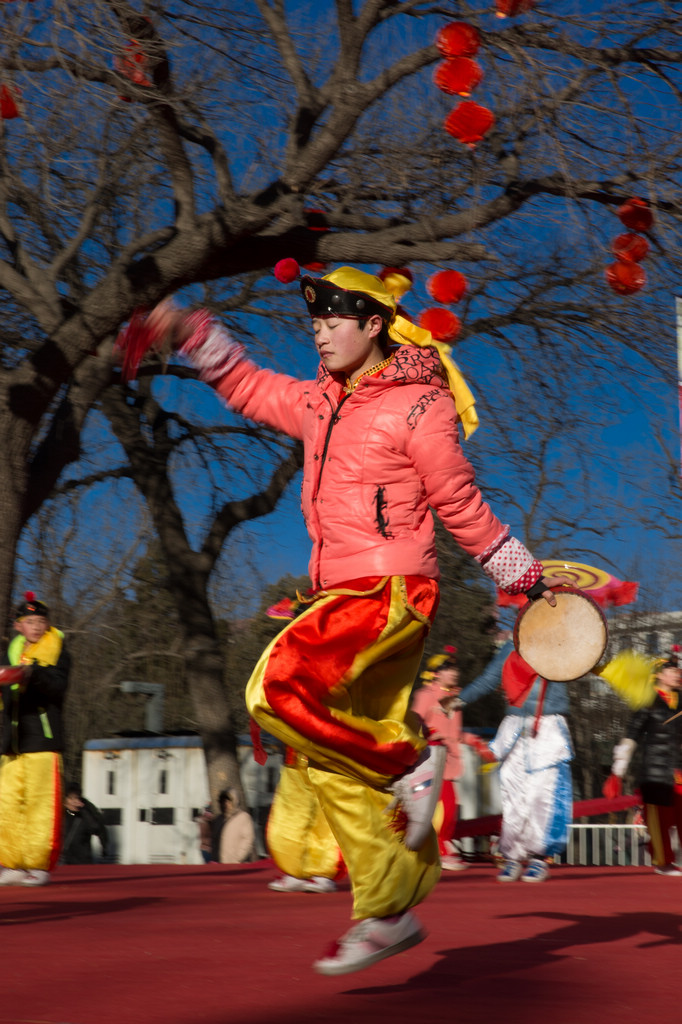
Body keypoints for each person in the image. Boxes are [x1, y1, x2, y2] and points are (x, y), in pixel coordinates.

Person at [116, 263, 566, 974]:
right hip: (343, 596)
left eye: (334, 321)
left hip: (390, 593)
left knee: (275, 690)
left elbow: (460, 504)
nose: (321, 333)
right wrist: (189, 329)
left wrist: (525, 578)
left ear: (374, 323)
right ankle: (387, 911)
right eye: (315, 323)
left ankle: (411, 763)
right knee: (329, 761)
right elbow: (246, 386)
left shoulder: (421, 404)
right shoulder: (319, 402)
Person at [456, 639, 573, 883]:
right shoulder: (511, 647)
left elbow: (582, 662)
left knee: (543, 795)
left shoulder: (561, 641)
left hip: (548, 728)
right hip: (515, 728)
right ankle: (512, 856)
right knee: (513, 793)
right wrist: (459, 700)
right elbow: (489, 679)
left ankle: (539, 857)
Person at [0, 591, 70, 886]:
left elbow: (58, 688)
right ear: (19, 627)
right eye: (30, 621)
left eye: (42, 621)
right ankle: (13, 863)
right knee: (8, 804)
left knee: (41, 804)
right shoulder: (8, 654)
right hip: (11, 742)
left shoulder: (58, 652)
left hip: (43, 741)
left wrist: (32, 673)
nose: (37, 626)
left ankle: (39, 865)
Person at [411, 646, 495, 870]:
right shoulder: (425, 696)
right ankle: (441, 847)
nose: (454, 672)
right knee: (443, 809)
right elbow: (413, 725)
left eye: (454, 668)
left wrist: (476, 742)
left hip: (449, 764)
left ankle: (437, 848)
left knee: (447, 809)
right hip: (429, 762)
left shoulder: (454, 699)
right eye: (448, 668)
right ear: (435, 672)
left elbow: (455, 734)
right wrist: (427, 733)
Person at [603, 656, 682, 876]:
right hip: (654, 772)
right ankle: (663, 862)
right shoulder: (647, 702)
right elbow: (631, 736)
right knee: (660, 820)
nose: (677, 674)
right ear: (659, 675)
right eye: (672, 670)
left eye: (678, 670)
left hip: (678, 770)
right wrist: (617, 772)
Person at [266, 748, 342, 893]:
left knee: (326, 814)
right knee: (291, 813)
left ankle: (323, 873)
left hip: (328, 755)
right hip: (295, 756)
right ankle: (295, 872)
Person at [61, 783, 109, 864]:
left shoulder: (86, 811)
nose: (74, 802)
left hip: (82, 859)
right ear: (65, 800)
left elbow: (96, 829)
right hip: (64, 858)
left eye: (76, 798)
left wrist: (84, 810)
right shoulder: (60, 813)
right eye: (71, 798)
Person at [218, 788, 256, 864]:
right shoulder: (218, 819)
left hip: (237, 864)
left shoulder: (243, 817)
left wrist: (238, 857)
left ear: (234, 801)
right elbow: (214, 840)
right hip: (220, 864)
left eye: (228, 801)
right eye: (223, 801)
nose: (225, 804)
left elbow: (248, 839)